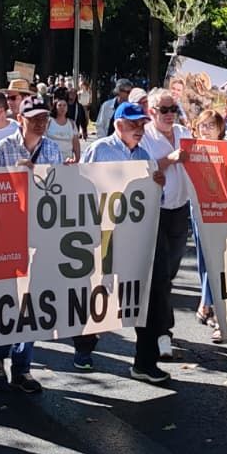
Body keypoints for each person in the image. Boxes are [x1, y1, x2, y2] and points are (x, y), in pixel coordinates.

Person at [0, 96, 65, 393]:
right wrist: (15, 176)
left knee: (32, 301)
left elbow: (59, 192)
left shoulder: (53, 149)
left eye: (44, 118)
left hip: (40, 234)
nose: (41, 123)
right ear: (21, 120)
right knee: (6, 299)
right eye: (34, 119)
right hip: (9, 235)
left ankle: (23, 367)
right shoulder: (5, 148)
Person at [72, 101, 156, 371]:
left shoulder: (144, 154)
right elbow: (80, 185)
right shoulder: (100, 149)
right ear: (119, 125)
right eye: (133, 124)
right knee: (96, 286)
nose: (139, 130)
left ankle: (142, 354)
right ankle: (84, 348)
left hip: (130, 232)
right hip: (100, 229)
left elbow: (151, 194)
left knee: (128, 288)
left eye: (142, 125)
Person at [131, 88, 194, 382]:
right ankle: (162, 332)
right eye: (164, 110)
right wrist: (168, 160)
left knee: (169, 272)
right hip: (155, 212)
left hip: (180, 209)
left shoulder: (183, 131)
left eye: (174, 109)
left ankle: (160, 329)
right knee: (158, 278)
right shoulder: (145, 135)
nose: (170, 115)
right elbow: (139, 169)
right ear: (152, 112)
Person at [190, 108, 226, 343]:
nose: (206, 129)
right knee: (204, 259)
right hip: (199, 211)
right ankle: (207, 303)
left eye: (211, 125)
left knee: (219, 260)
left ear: (220, 129)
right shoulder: (191, 149)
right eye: (203, 125)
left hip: (224, 211)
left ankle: (211, 306)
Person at [48, 93, 81, 160]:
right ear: (55, 107)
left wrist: (77, 159)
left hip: (68, 161)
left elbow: (76, 143)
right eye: (59, 105)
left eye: (64, 105)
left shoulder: (72, 123)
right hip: (51, 160)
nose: (62, 108)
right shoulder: (49, 122)